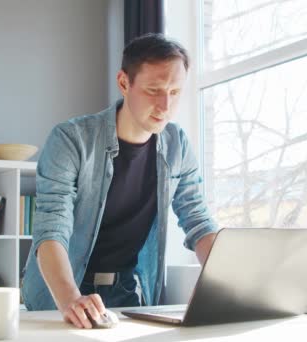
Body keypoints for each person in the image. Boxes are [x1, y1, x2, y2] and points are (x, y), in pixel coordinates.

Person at [22, 33, 218, 329]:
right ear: (124, 83)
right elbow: (51, 228)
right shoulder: (71, 139)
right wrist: (71, 299)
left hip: (129, 292)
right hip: (60, 293)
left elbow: (199, 221)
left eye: (175, 92)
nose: (165, 105)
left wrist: (232, 286)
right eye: (154, 90)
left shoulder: (177, 144)